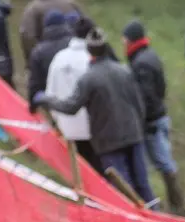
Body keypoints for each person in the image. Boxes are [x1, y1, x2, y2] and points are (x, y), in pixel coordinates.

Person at [34, 28, 158, 207]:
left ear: (89, 51)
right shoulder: (124, 71)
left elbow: (70, 107)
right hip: (133, 134)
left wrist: (47, 99)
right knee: (143, 184)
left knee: (123, 189)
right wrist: (139, 126)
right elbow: (139, 103)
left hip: (108, 141)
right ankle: (157, 218)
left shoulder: (88, 79)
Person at [123, 20, 185, 215]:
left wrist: (145, 121)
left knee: (162, 162)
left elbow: (147, 96)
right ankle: (177, 205)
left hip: (152, 122)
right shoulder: (150, 56)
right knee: (164, 161)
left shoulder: (141, 63)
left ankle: (178, 206)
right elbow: (160, 89)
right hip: (159, 116)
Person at [45, 18, 102, 173]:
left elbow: (51, 93)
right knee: (97, 171)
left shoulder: (59, 58)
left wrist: (57, 120)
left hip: (67, 126)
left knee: (77, 172)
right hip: (93, 128)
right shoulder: (93, 60)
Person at [27, 10, 72, 114]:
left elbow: (35, 83)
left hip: (53, 103)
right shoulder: (76, 43)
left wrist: (32, 107)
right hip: (79, 100)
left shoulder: (38, 51)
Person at [19, 0, 82, 65]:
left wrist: (34, 60)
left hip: (47, 61)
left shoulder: (33, 8)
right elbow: (86, 27)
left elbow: (27, 36)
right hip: (76, 57)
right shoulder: (71, 4)